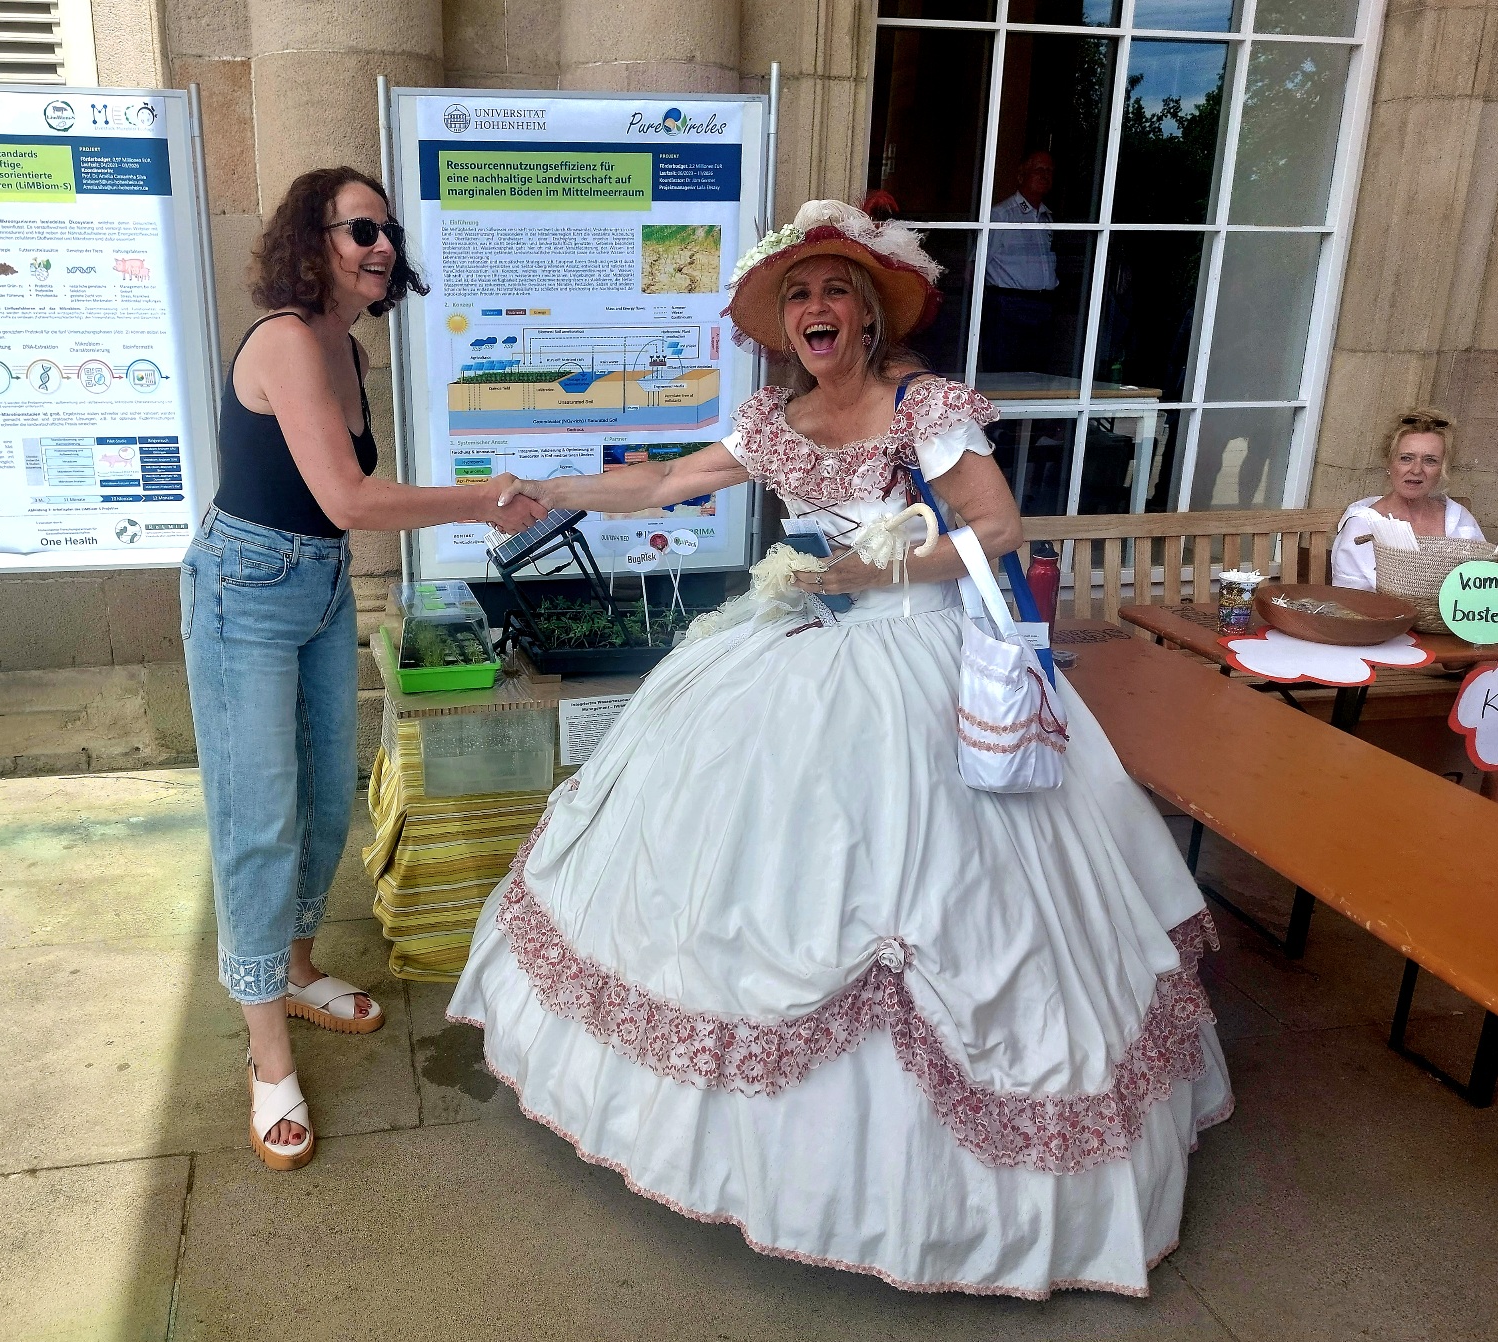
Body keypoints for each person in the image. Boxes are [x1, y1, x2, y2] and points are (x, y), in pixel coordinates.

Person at [449, 198, 1232, 1299]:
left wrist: (882, 571)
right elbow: (664, 481)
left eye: (834, 292)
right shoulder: (772, 422)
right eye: (798, 295)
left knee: (939, 894)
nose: (816, 310)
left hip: (912, 660)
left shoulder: (922, 409)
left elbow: (998, 527)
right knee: (735, 863)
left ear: (867, 315)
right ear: (783, 325)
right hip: (790, 650)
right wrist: (552, 491)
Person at [181, 166, 545, 1171]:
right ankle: (265, 1054)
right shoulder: (288, 341)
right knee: (257, 814)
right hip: (246, 588)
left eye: (386, 229)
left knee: (324, 803)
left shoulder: (345, 347)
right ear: (313, 239)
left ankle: (294, 967)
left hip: (319, 586)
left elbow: (340, 514)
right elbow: (346, 496)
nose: (381, 245)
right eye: (359, 229)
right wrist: (480, 502)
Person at [1331, 408, 1486, 590]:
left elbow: (1482, 586)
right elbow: (1351, 603)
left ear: (1441, 469)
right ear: (1389, 463)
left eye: (1430, 460)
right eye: (1406, 458)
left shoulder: (1459, 520)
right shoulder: (1362, 524)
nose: (1416, 469)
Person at [982, 150, 1058, 374]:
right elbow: (975, 266)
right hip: (1008, 306)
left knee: (1036, 376)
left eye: (1049, 171)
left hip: (1042, 306)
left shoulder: (1047, 216)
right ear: (1021, 175)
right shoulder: (1002, 215)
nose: (1045, 175)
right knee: (1005, 375)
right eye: (1039, 170)